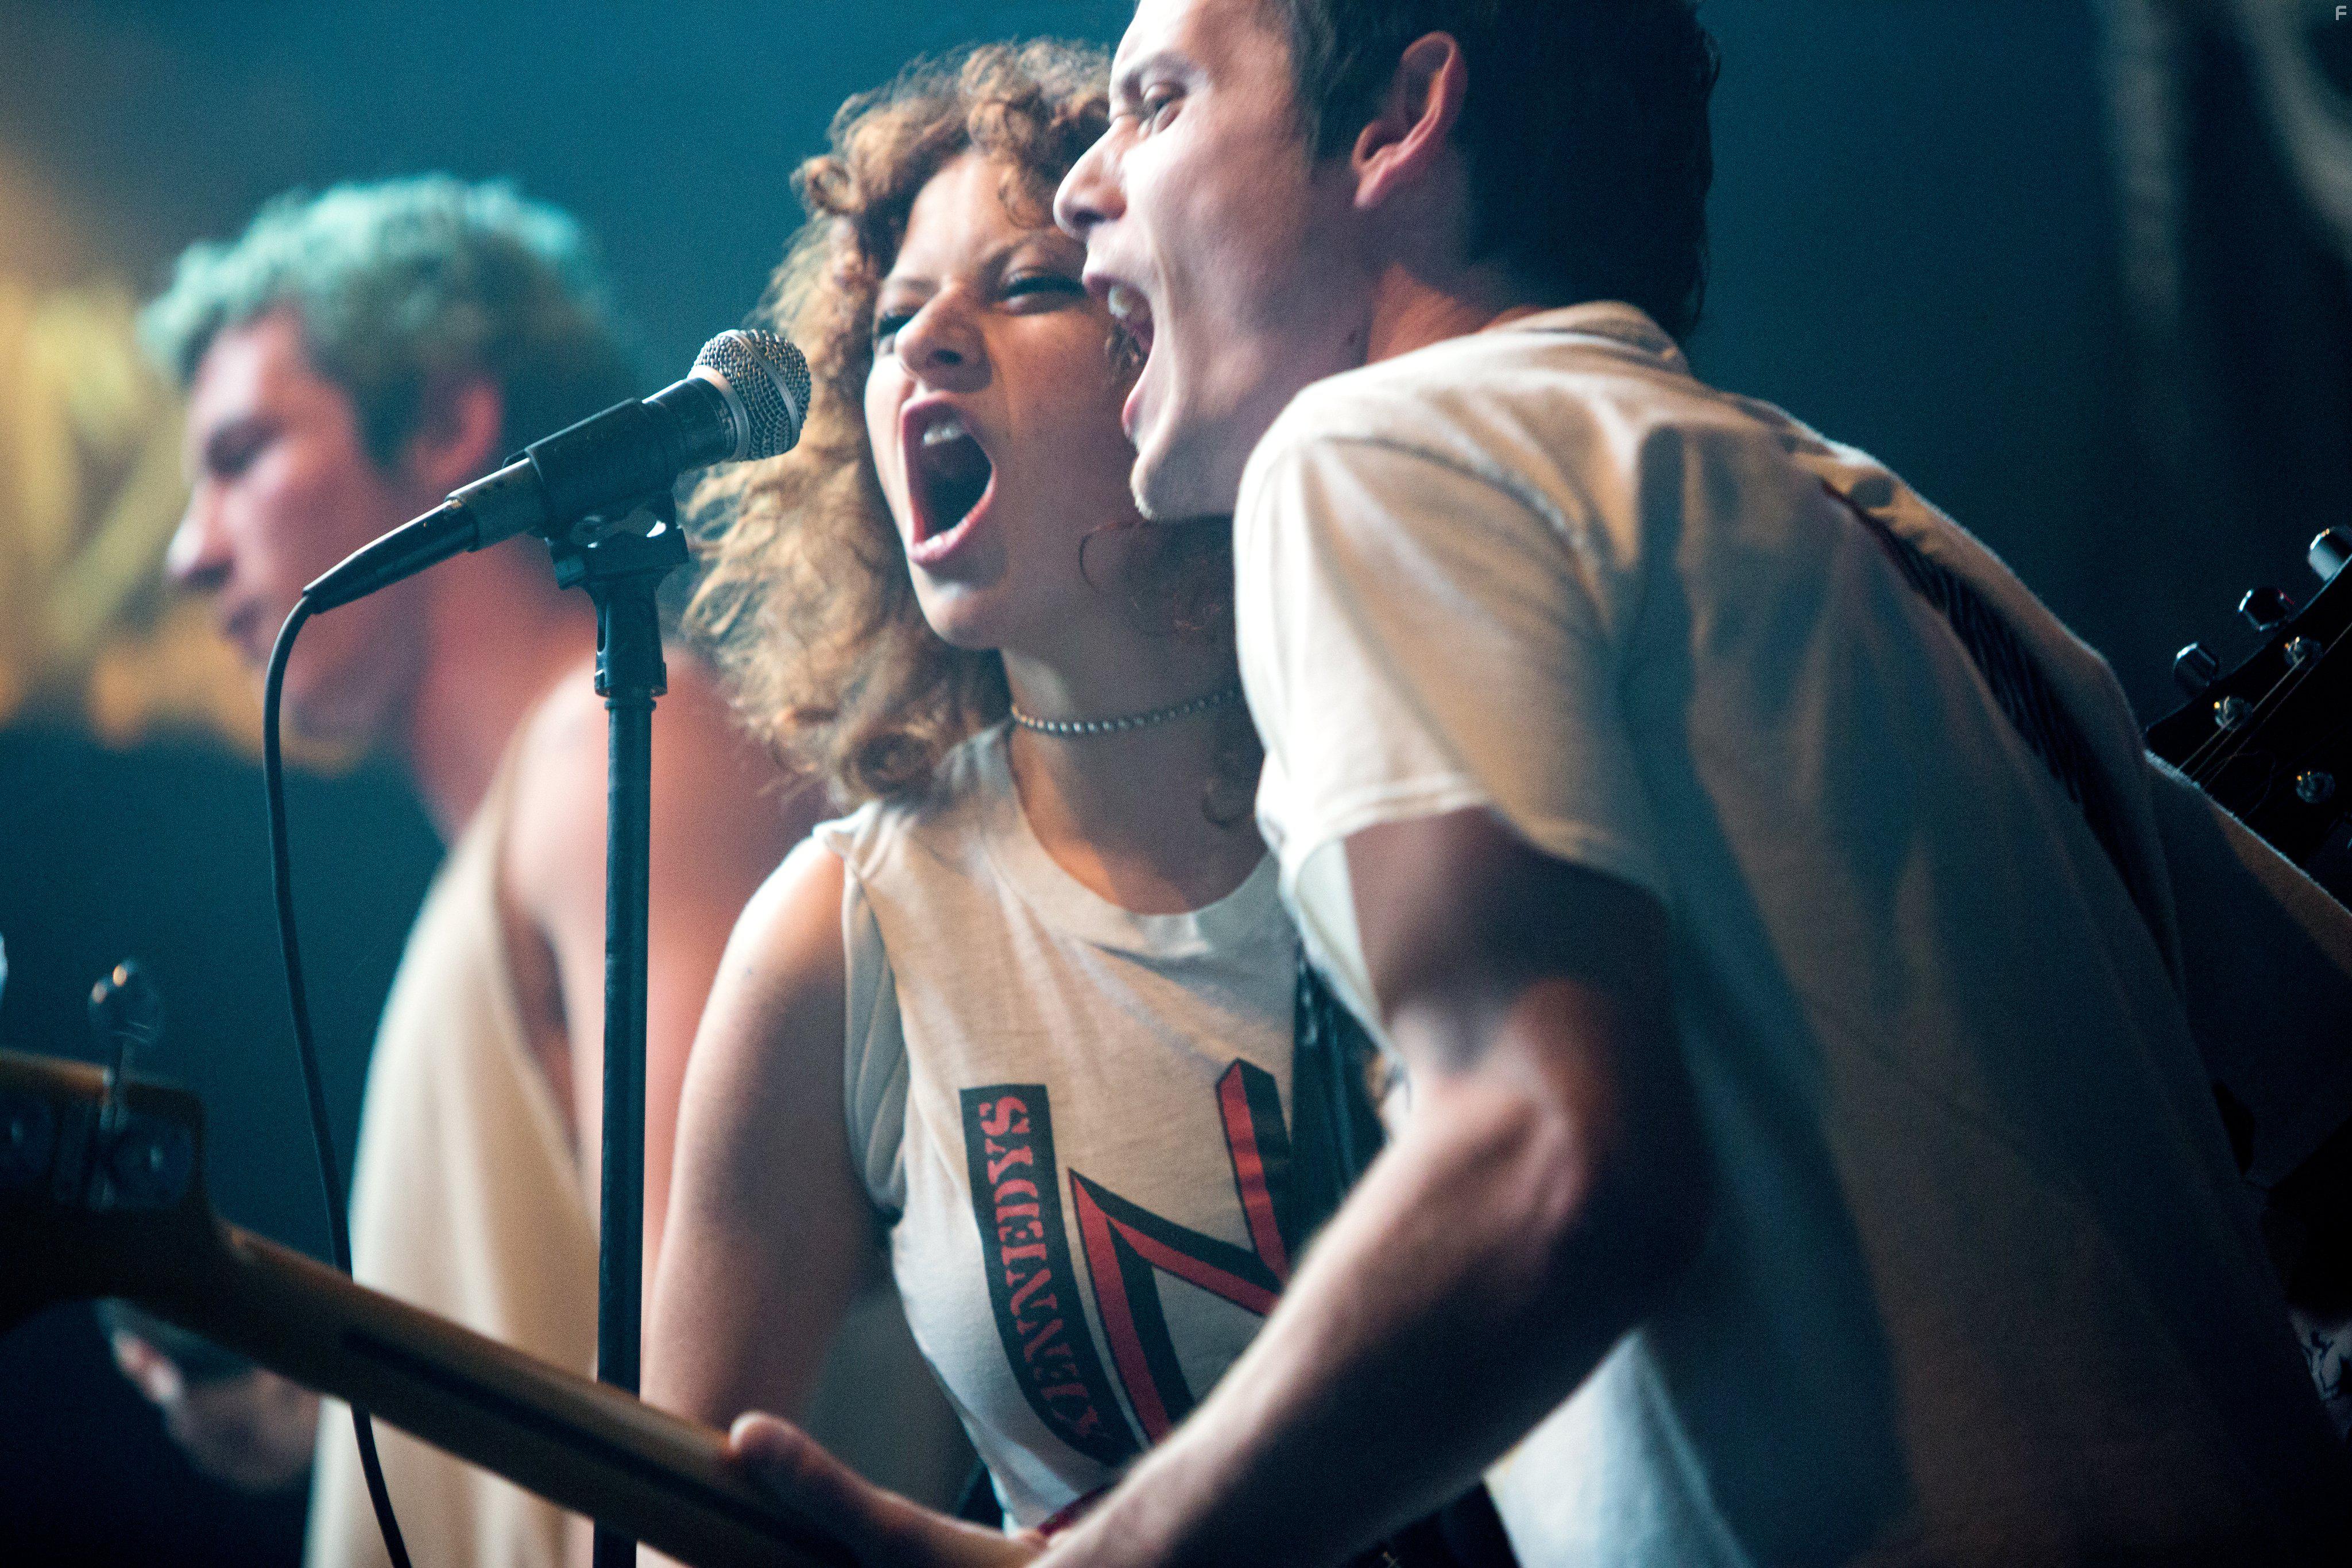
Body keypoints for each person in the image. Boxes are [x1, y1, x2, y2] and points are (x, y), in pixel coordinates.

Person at [709, 3, 2352, 1565]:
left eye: (1159, 104)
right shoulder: (1896, 542)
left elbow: (1553, 1162)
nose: (1089, 186)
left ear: (1400, 124)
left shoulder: (1377, 453)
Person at [111, 176, 954, 1568]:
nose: (189, 550)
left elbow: (722, 1404)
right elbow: (594, 1348)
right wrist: (333, 1408)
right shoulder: (538, 805)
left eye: (244, 453)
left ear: (448, 419)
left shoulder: (623, 758)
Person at [645, 39, 1400, 1554]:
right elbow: (680, 1530)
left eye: (1030, 283)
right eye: (896, 317)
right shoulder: (845, 940)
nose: (923, 344)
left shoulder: (1419, 770)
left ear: (1181, 318)